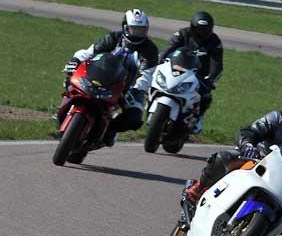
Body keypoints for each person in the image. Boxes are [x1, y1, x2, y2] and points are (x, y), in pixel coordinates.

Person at [183, 90, 282, 232]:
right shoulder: (280, 118)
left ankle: (254, 235)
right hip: (255, 159)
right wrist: (248, 145)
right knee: (223, 158)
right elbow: (247, 132)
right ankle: (197, 189)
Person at [64, 9, 159, 145]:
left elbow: (147, 74)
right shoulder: (113, 38)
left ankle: (110, 130)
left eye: (141, 30)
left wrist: (135, 89)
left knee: (134, 118)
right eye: (134, 30)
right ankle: (64, 108)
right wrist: (75, 60)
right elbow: (89, 52)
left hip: (130, 87)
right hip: (101, 76)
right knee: (70, 78)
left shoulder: (150, 49)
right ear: (125, 27)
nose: (137, 34)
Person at [159, 11, 224, 133]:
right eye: (200, 29)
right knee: (157, 80)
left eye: (206, 30)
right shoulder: (182, 34)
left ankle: (198, 119)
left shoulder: (214, 41)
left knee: (206, 96)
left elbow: (217, 64)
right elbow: (168, 49)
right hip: (176, 68)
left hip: (198, 75)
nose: (203, 33)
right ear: (193, 28)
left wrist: (211, 78)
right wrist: (160, 60)